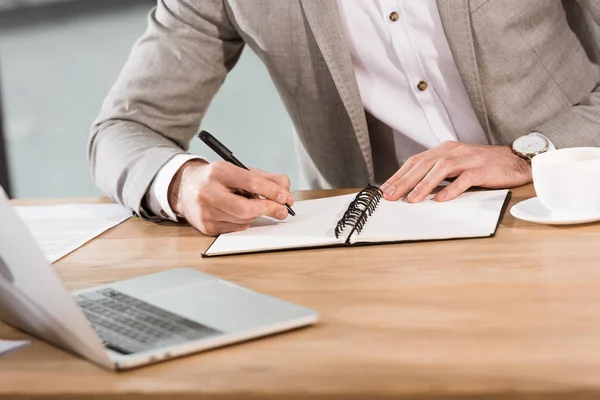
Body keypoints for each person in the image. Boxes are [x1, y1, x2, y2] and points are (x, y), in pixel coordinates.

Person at [89, 1, 600, 236]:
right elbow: (123, 129)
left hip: (563, 213)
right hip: (379, 244)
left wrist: (525, 153)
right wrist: (180, 183)